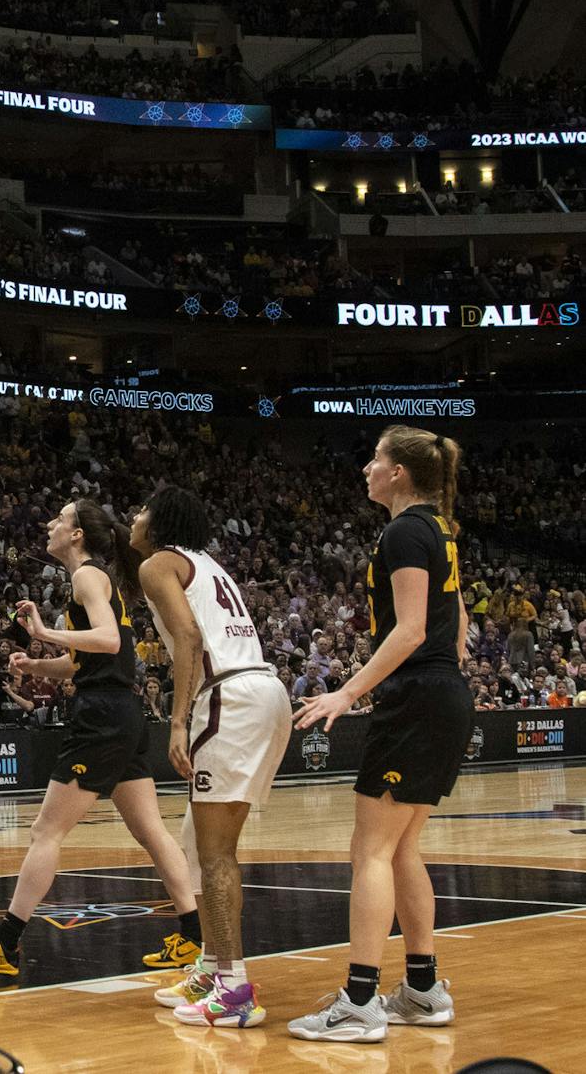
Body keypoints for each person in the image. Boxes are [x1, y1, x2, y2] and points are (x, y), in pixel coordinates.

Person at [0, 499, 199, 977]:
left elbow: (110, 641)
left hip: (102, 716)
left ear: (77, 534)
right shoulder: (94, 579)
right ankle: (195, 937)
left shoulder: (86, 577)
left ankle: (5, 942)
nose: (50, 524)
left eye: (59, 518)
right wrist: (35, 663)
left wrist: (44, 631)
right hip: (120, 711)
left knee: (46, 831)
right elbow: (86, 662)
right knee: (150, 832)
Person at [289, 427, 469, 1043]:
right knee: (401, 848)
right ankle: (422, 990)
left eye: (376, 460)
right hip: (443, 695)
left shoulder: (405, 530)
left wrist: (348, 692)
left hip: (417, 696)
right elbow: (459, 626)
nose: (367, 467)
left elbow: (413, 628)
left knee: (369, 850)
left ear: (398, 474)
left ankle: (359, 1002)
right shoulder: (440, 532)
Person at [132, 487, 292, 1028]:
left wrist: (176, 721)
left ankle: (234, 990)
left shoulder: (157, 564)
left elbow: (188, 636)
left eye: (142, 510)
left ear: (159, 522)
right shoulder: (206, 563)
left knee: (217, 851)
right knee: (197, 842)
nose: (134, 518)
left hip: (229, 696)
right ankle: (210, 966)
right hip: (262, 690)